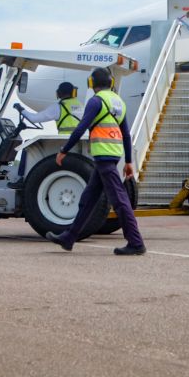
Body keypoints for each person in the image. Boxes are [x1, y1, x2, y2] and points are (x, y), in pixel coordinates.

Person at [45, 67, 145, 256]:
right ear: (111, 83)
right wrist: (129, 161)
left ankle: (136, 242)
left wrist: (64, 150)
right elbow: (125, 134)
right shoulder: (119, 102)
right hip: (113, 153)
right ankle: (69, 238)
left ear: (91, 84)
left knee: (120, 200)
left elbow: (81, 127)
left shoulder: (96, 101)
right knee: (88, 198)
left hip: (103, 154)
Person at [8, 81, 83, 189]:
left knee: (28, 145)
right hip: (79, 143)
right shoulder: (80, 105)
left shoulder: (59, 106)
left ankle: (22, 178)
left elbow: (34, 118)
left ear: (59, 93)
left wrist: (20, 109)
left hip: (65, 143)